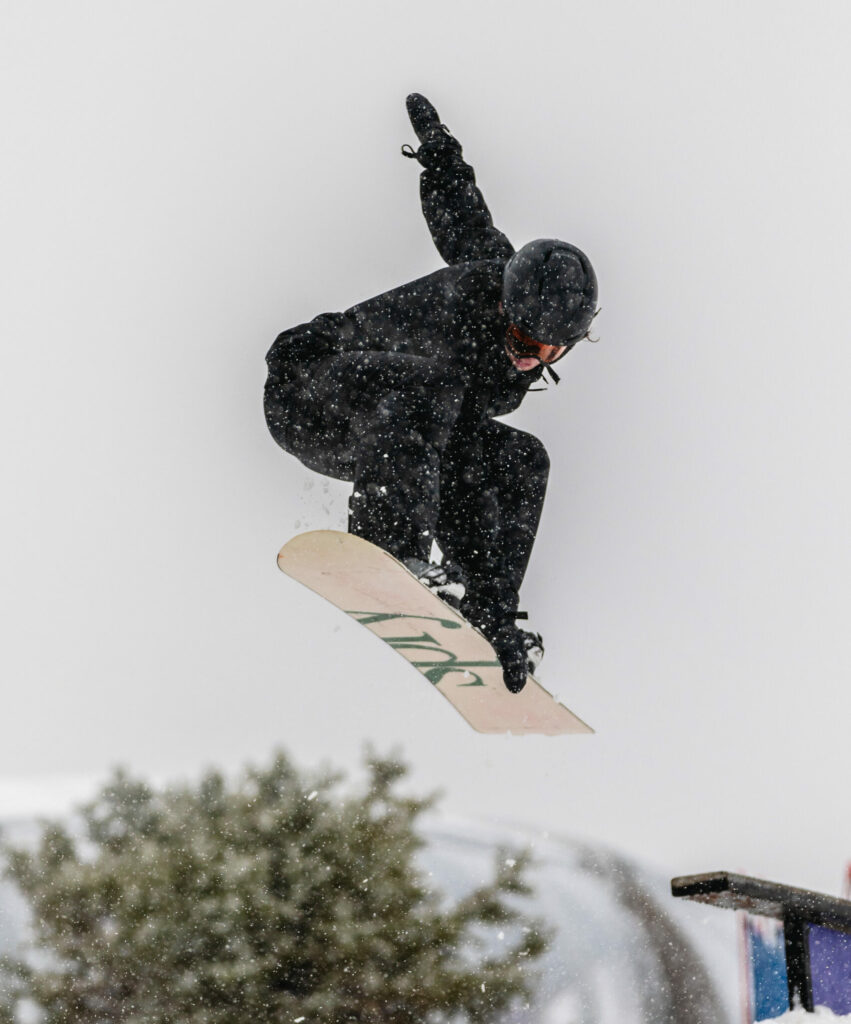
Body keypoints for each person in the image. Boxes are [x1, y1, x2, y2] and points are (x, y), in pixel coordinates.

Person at [265, 93, 599, 693]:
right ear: (504, 303)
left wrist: (444, 158)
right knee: (438, 389)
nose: (529, 354)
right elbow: (463, 225)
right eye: (521, 334)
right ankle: (389, 543)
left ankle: (490, 611)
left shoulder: (511, 329)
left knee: (521, 459)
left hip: (392, 440)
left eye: (548, 349)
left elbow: (465, 212)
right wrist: (439, 154)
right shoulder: (471, 292)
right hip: (310, 390)